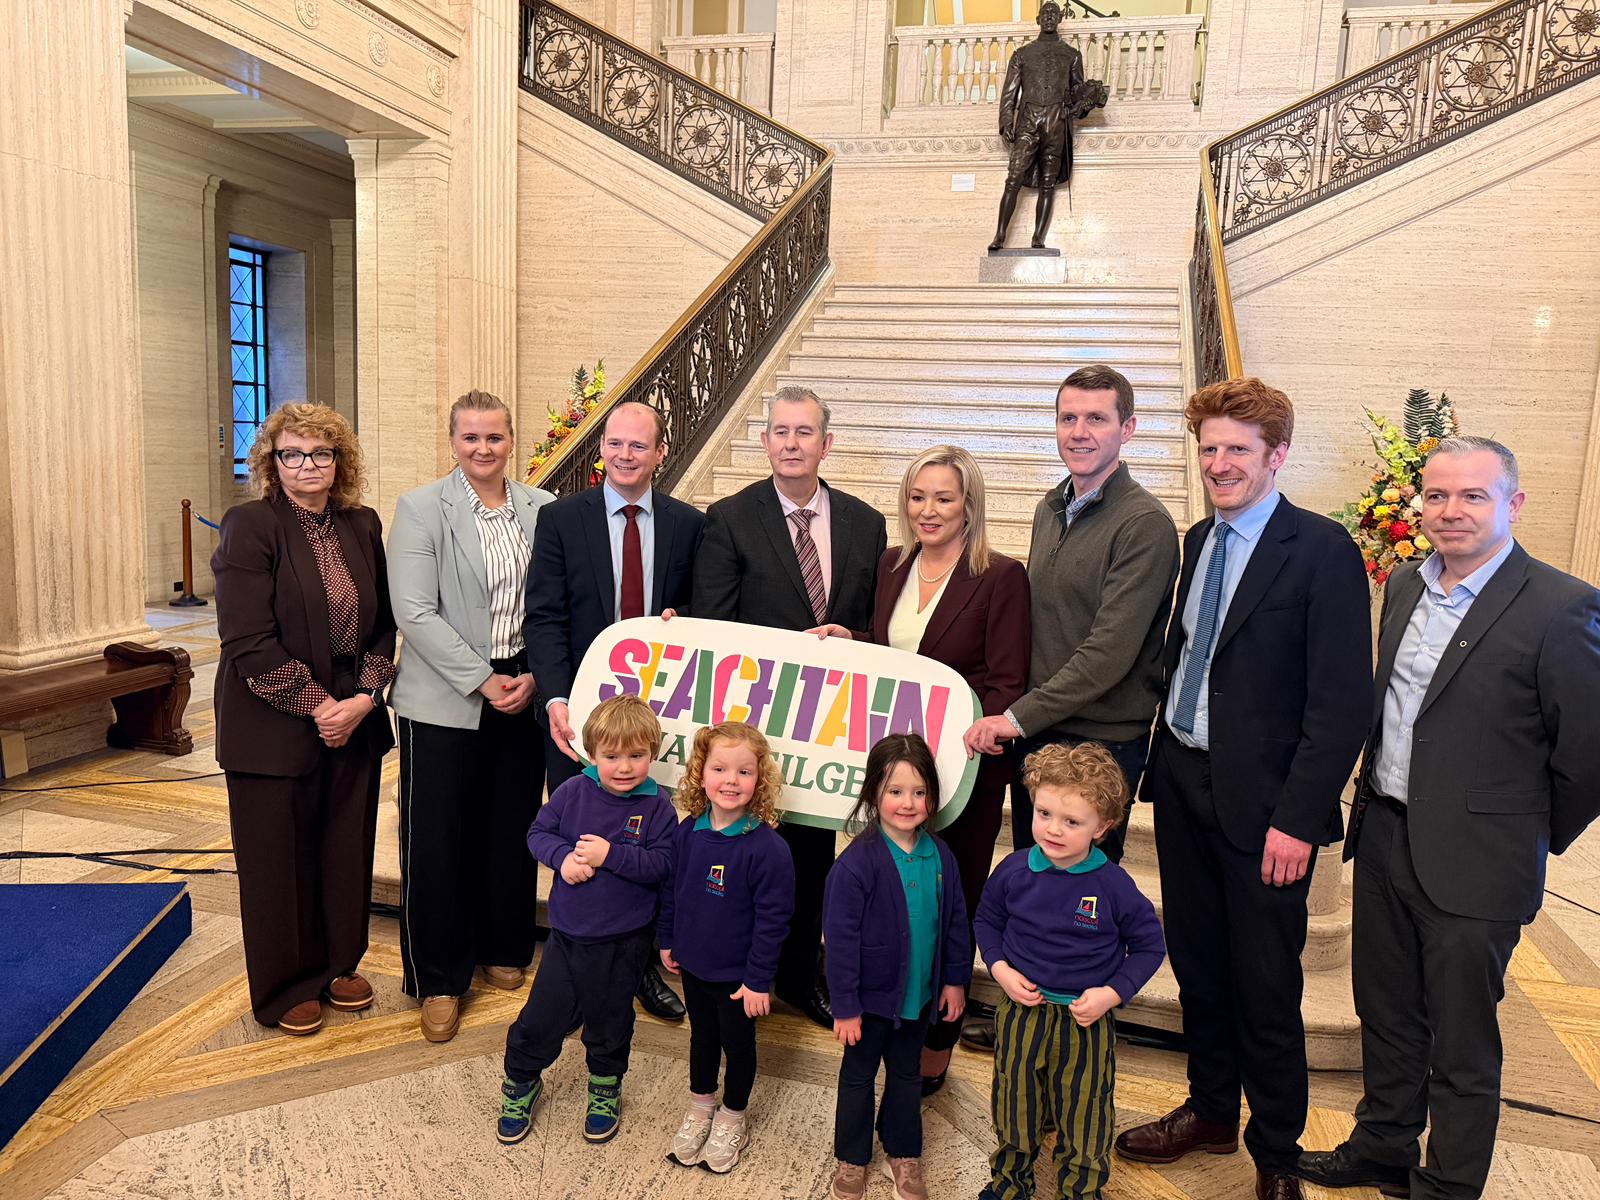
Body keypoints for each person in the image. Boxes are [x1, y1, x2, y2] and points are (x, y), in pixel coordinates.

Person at [1298, 437, 1600, 1200]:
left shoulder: (1561, 606)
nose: (1450, 510)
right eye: (1436, 495)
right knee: (1387, 1012)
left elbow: (1588, 754)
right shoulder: (1405, 583)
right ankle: (1383, 1145)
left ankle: (1450, 1185)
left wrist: (1523, 834)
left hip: (1481, 858)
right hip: (1387, 834)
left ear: (1513, 505)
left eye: (1473, 496)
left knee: (1462, 1042)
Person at [1113, 378, 1371, 1200]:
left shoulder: (1321, 550)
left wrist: (1299, 819)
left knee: (1265, 984)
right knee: (1198, 965)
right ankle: (1212, 1110)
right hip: (1186, 781)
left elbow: (1341, 704)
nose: (1220, 463)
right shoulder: (1199, 539)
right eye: (1210, 448)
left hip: (1267, 809)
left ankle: (1279, 1152)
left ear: (1277, 455)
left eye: (1238, 450)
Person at [961, 364, 1179, 1048]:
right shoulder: (1050, 507)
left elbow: (1108, 654)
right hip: (1043, 733)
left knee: (1082, 904)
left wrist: (1015, 716)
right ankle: (1026, 1023)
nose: (1079, 432)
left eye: (1096, 419)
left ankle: (1075, 1037)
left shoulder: (1144, 524)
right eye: (1068, 417)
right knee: (1035, 887)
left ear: (1128, 429)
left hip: (1100, 742)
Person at [811, 444, 1028, 1091]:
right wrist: (853, 641)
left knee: (947, 905)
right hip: (898, 775)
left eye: (943, 497)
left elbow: (1008, 683)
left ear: (969, 505)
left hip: (963, 778)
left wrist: (971, 747)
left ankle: (936, 1043)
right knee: (891, 903)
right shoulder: (891, 565)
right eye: (917, 496)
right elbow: (891, 657)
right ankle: (890, 1021)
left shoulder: (1000, 576)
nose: (927, 510)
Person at [694, 386, 888, 1029]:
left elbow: (874, 624)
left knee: (811, 854)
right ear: (765, 441)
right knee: (750, 851)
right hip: (755, 724)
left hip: (829, 725)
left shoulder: (866, 523)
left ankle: (802, 977)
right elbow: (715, 624)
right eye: (780, 431)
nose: (791, 443)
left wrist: (854, 639)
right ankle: (740, 969)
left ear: (825, 444)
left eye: (804, 432)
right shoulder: (729, 519)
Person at [211, 402, 395, 1037]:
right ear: (273, 462)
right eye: (292, 453)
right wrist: (319, 707)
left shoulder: (361, 524)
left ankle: (338, 964)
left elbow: (384, 623)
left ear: (339, 461)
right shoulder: (250, 526)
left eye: (321, 453)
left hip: (353, 711)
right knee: (278, 859)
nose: (307, 465)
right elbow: (247, 639)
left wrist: (365, 698)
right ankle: (287, 983)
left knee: (345, 847)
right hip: (272, 718)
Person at [525, 398, 706, 1023]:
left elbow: (703, 615)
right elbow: (544, 617)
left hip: (656, 721)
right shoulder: (560, 519)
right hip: (579, 719)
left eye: (638, 445)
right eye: (614, 443)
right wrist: (555, 698)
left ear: (660, 453)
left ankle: (640, 966)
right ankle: (573, 963)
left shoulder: (689, 525)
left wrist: (685, 623)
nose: (624, 455)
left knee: (647, 842)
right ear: (601, 449)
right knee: (579, 839)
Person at [386, 390, 555, 1043]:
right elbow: (413, 611)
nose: (483, 449)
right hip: (444, 696)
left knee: (510, 826)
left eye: (494, 437)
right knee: (438, 838)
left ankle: (502, 944)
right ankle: (439, 978)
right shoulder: (422, 508)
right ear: (453, 441)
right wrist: (483, 679)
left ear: (512, 439)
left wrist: (535, 673)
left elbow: (554, 601)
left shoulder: (542, 507)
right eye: (470, 438)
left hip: (524, 685)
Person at [975, 742, 1165, 1200]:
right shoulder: (1014, 870)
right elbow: (987, 920)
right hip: (1021, 1013)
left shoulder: (1114, 886)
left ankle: (1080, 1189)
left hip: (1086, 1022)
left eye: (1072, 821)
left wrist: (1112, 993)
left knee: (1086, 1111)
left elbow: (1149, 946)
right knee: (1014, 1101)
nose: (1053, 829)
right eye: (1044, 814)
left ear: (1102, 827)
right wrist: (999, 969)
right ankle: (1010, 1182)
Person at [497, 695, 677, 1146]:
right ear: (591, 754)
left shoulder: (658, 807)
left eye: (636, 755)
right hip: (568, 936)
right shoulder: (573, 792)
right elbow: (538, 833)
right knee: (541, 1018)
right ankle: (521, 1081)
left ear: (652, 754)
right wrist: (562, 858)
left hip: (625, 941)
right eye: (612, 756)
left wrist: (610, 855)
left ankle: (605, 1087)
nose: (624, 767)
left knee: (610, 1022)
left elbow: (663, 865)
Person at [823, 734, 971, 1200]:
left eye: (919, 792)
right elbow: (840, 944)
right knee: (858, 1077)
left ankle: (904, 1152)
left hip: (918, 998)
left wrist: (954, 980)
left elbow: (955, 922)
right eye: (895, 791)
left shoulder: (941, 856)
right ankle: (852, 1157)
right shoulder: (855, 866)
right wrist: (845, 1006)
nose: (908, 803)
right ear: (873, 793)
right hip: (867, 1004)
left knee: (907, 1074)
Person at [659, 722, 795, 1174]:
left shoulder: (768, 849)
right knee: (701, 1037)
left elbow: (773, 923)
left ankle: (732, 1116)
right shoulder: (687, 832)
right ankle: (701, 1107)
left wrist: (758, 980)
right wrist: (667, 939)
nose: (731, 780)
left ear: (760, 779)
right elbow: (672, 891)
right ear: (701, 773)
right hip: (694, 965)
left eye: (744, 771)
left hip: (740, 978)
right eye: (719, 769)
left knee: (738, 1046)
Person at [987, 2, 1104, 251]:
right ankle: (999, 235)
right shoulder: (1022, 54)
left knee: (1048, 182)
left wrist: (1088, 98)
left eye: (1054, 14)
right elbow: (1009, 92)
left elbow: (1076, 92)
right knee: (1013, 177)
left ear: (1060, 19)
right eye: (1045, 14)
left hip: (1056, 120)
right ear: (1038, 19)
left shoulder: (1072, 55)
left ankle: (1038, 238)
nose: (1050, 17)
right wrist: (1006, 121)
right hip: (1028, 119)